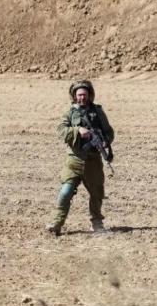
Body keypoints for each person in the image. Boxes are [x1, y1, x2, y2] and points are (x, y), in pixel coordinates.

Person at [46, 80, 115, 236]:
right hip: (74, 160)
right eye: (79, 95)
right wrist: (78, 131)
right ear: (74, 96)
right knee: (65, 192)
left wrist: (105, 141)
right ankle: (57, 223)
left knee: (97, 194)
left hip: (93, 161)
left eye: (84, 95)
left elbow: (109, 132)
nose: (82, 98)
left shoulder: (98, 112)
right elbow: (61, 130)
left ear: (89, 95)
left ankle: (97, 223)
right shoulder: (70, 113)